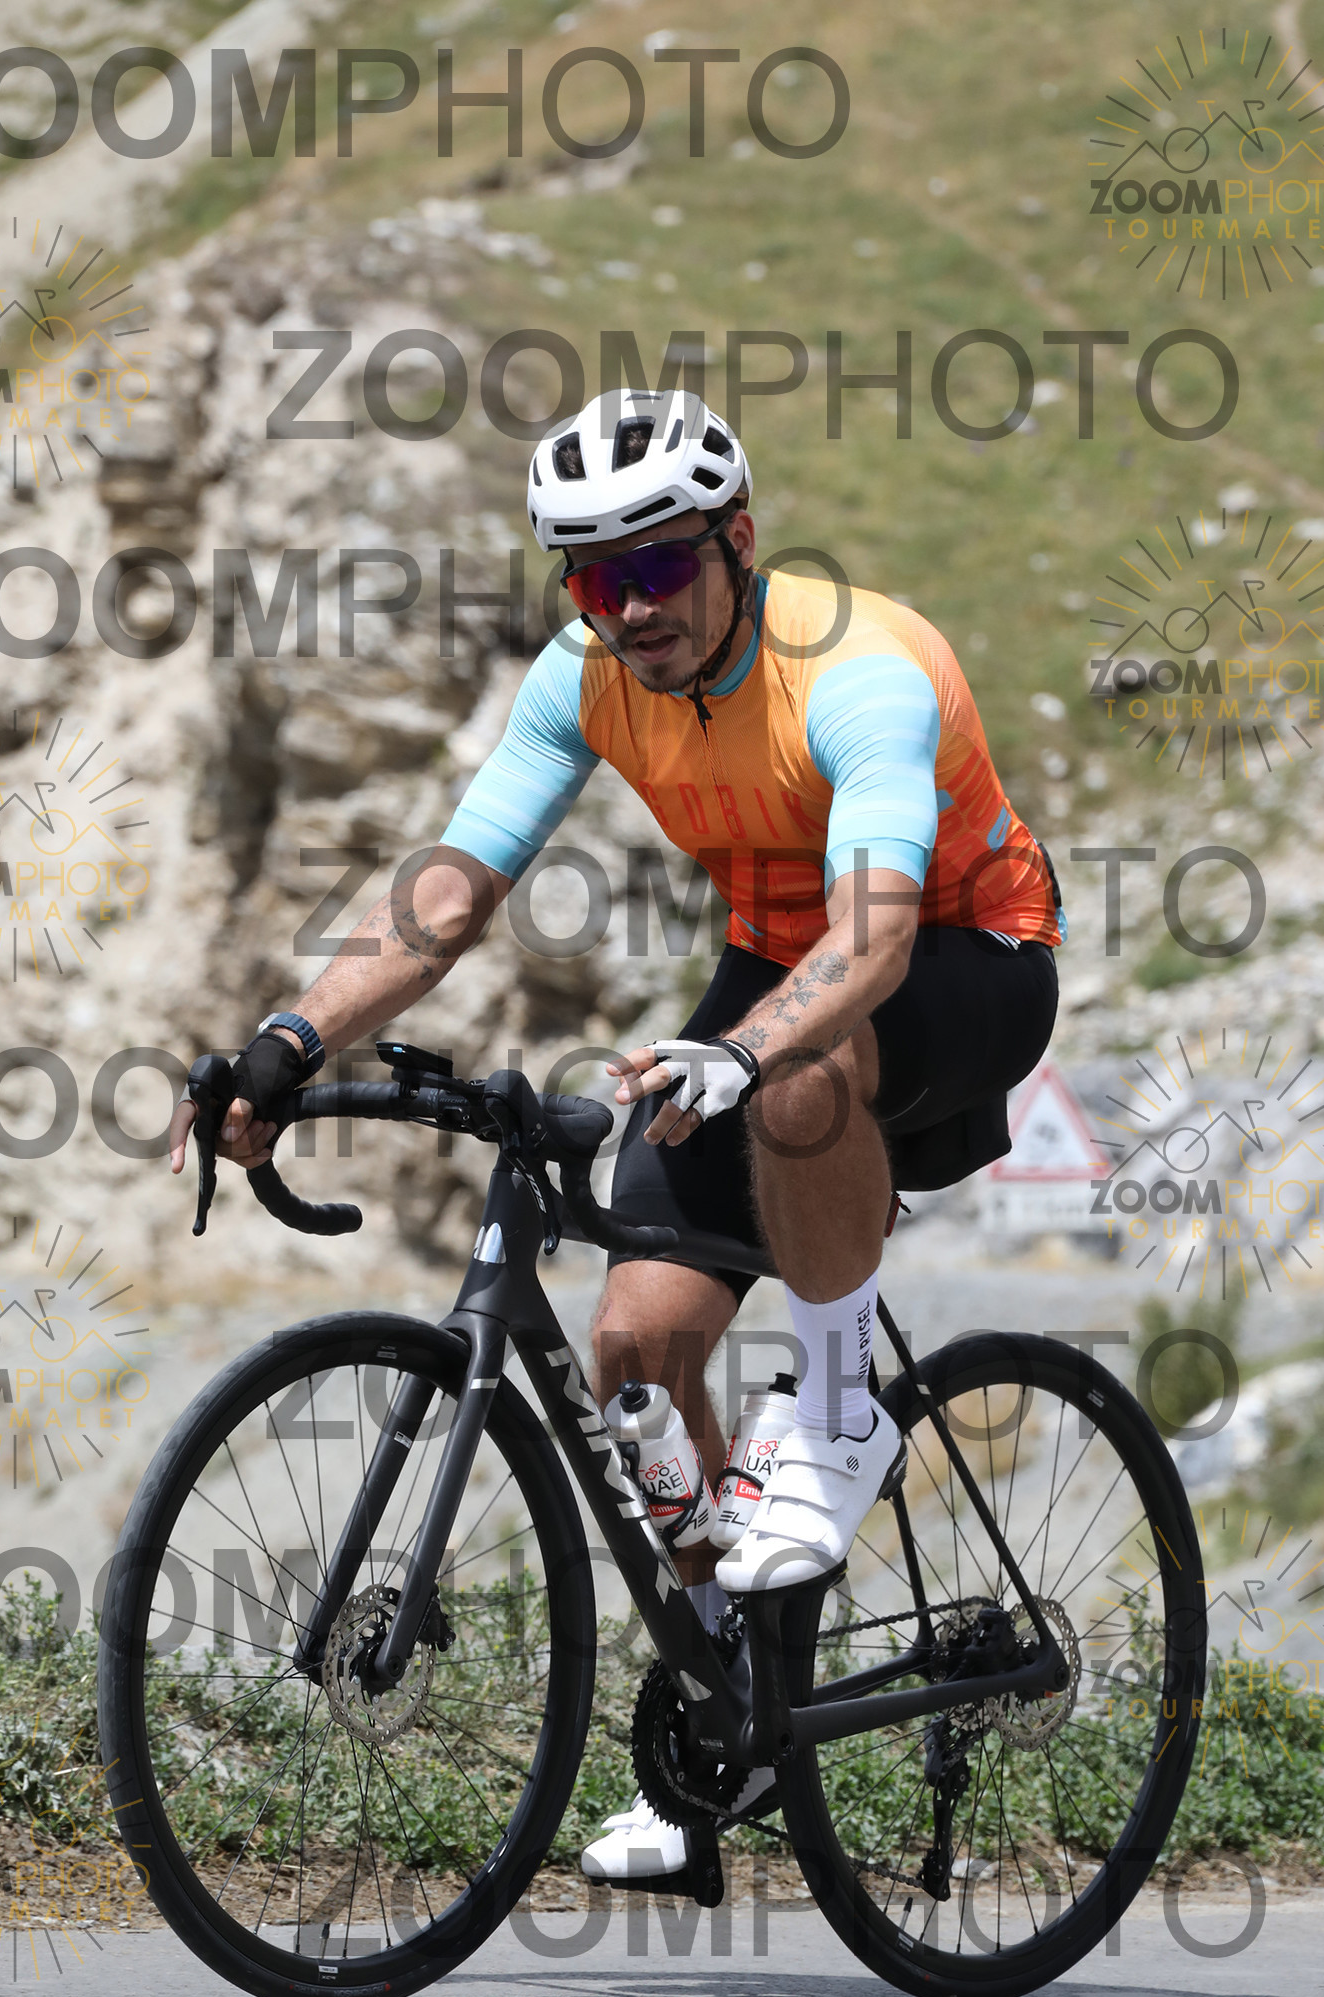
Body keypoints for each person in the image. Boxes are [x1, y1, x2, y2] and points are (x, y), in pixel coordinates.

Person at [167, 388, 1061, 1888]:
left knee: (795, 1065)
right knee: (636, 1353)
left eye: (656, 566)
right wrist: (292, 1039)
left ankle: (841, 1408)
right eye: (594, 579)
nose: (630, 607)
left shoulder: (859, 667)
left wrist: (746, 1049)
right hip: (775, 973)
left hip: (965, 963)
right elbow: (451, 892)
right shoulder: (587, 676)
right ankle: (729, 1724)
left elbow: (877, 940)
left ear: (739, 541)